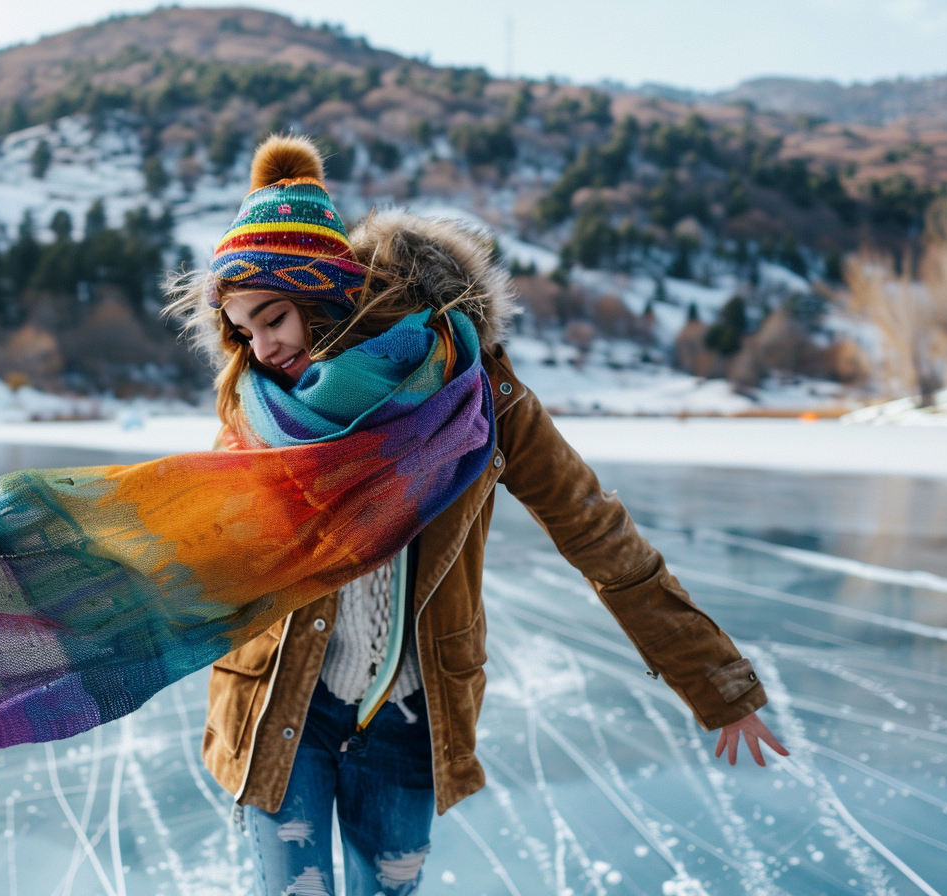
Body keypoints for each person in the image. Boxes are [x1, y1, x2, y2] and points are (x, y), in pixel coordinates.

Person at [166, 134, 787, 896]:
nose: (260, 349)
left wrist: (716, 683)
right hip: (279, 703)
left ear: (326, 294)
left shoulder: (474, 392)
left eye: (273, 319)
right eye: (242, 329)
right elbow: (193, 535)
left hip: (407, 718)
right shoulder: (264, 410)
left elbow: (596, 532)